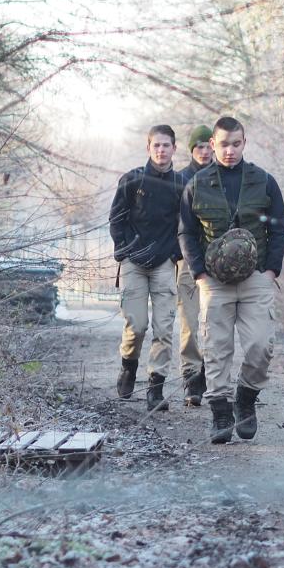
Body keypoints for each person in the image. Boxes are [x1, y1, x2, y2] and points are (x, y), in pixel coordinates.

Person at [178, 116, 284, 443]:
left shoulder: (263, 181)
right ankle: (221, 413)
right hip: (213, 280)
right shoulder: (197, 184)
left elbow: (278, 227)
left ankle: (246, 398)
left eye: (236, 144)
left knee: (261, 345)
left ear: (244, 143)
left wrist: (270, 271)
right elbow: (186, 231)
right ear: (212, 144)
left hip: (256, 278)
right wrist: (198, 273)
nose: (230, 150)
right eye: (223, 144)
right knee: (216, 348)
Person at [108, 124, 186, 411]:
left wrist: (175, 254)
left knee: (165, 327)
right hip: (134, 263)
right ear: (149, 148)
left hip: (164, 262)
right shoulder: (132, 180)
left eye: (167, 145)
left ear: (174, 148)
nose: (162, 150)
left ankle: (156, 386)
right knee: (137, 325)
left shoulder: (180, 184)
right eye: (157, 145)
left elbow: (186, 225)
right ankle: (128, 367)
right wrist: (124, 250)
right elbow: (116, 219)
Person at [174, 124, 214, 405]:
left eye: (207, 146)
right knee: (189, 322)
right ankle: (192, 379)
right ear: (191, 150)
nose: (203, 151)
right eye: (198, 147)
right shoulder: (179, 180)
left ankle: (212, 375)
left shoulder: (221, 176)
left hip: (217, 263)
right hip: (187, 261)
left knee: (213, 324)